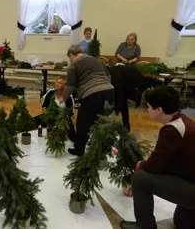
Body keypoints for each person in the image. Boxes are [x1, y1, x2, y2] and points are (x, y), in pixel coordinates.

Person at [120, 85, 195, 229]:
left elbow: (154, 166)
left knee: (140, 178)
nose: (147, 109)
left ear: (159, 109)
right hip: (189, 178)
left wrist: (140, 164)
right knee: (181, 222)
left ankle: (145, 226)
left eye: (148, 106)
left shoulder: (172, 130)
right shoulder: (184, 121)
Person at [63, 44, 115, 157]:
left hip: (92, 94)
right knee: (99, 121)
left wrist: (63, 100)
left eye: (69, 57)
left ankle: (79, 150)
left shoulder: (74, 65)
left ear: (71, 54)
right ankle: (100, 151)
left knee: (82, 122)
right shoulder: (96, 60)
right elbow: (108, 76)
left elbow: (70, 86)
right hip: (109, 91)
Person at [37, 76, 76, 141]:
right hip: (50, 116)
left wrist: (62, 118)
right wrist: (46, 111)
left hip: (63, 119)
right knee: (36, 119)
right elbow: (44, 105)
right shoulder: (51, 92)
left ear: (64, 85)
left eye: (60, 83)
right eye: (56, 82)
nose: (57, 84)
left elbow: (71, 112)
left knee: (71, 133)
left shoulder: (69, 97)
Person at [108, 65, 145, 131]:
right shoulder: (110, 74)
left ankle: (126, 124)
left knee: (122, 100)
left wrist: (114, 113)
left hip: (134, 80)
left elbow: (120, 97)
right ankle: (126, 123)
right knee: (123, 101)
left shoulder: (115, 78)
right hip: (125, 79)